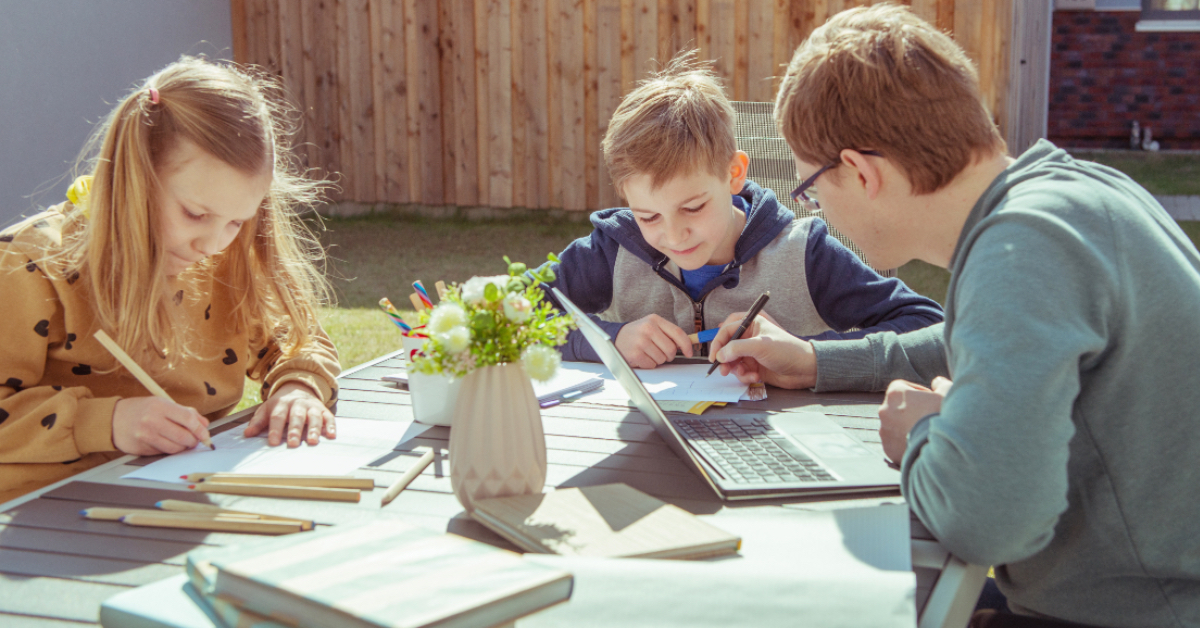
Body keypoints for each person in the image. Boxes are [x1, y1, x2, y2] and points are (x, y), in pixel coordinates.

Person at [713, 5, 1200, 626]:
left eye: (810, 188)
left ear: (861, 172)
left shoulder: (1022, 249)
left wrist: (920, 439)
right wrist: (814, 361)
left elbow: (986, 521)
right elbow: (977, 341)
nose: (813, 208)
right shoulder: (1065, 197)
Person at [0, 57, 342, 503]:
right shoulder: (30, 268)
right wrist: (106, 421)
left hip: (173, 495)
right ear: (133, 178)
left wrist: (298, 386)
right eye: (196, 214)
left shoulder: (221, 259)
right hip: (43, 511)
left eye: (236, 221)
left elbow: (296, 340)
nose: (213, 243)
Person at [543, 51, 942, 370]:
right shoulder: (613, 250)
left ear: (734, 174)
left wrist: (806, 355)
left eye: (694, 207)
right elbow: (503, 313)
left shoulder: (804, 255)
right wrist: (609, 339)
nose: (674, 235)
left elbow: (929, 326)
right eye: (648, 216)